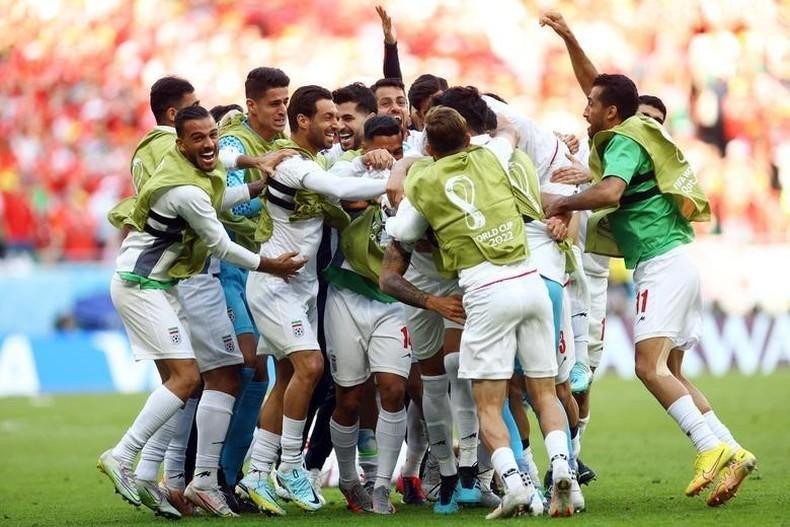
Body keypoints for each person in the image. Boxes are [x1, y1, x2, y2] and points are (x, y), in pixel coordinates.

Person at [543, 73, 756, 507]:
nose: (585, 110)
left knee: (647, 367)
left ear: (611, 112)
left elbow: (611, 191)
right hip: (677, 261)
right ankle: (731, 449)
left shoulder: (624, 137)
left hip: (662, 265)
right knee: (671, 371)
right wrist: (566, 36)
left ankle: (707, 447)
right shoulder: (634, 136)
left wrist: (562, 202)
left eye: (590, 103)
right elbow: (601, 86)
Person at [97, 105, 305, 517]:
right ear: (180, 143)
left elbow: (220, 190)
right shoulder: (186, 191)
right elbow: (221, 245)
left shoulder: (191, 171)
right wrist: (271, 265)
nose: (210, 143)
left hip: (161, 286)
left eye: (212, 134)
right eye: (199, 138)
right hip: (142, 286)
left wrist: (255, 183)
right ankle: (124, 456)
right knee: (189, 377)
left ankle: (161, 476)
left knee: (191, 380)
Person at [386, 106, 575, 519]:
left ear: (431, 148)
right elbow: (508, 131)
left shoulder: (425, 181)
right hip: (531, 281)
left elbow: (401, 233)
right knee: (543, 392)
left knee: (486, 403)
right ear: (469, 138)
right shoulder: (494, 155)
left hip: (485, 291)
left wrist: (403, 168)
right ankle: (563, 467)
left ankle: (512, 485)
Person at [237, 86, 390, 514]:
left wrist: (370, 158)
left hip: (299, 286)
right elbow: (335, 188)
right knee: (311, 366)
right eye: (328, 118)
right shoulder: (290, 164)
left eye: (341, 119)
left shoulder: (315, 159)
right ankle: (289, 466)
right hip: (274, 286)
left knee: (287, 378)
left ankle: (256, 474)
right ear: (303, 121)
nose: (337, 125)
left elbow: (339, 171)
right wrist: (393, 178)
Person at [324, 115, 411, 514]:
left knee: (393, 390)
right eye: (382, 150)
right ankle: (347, 478)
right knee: (348, 399)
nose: (390, 157)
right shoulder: (345, 169)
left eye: (397, 149)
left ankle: (380, 485)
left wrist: (401, 168)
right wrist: (366, 166)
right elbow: (343, 194)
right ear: (364, 147)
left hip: (394, 301)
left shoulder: (417, 172)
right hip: (347, 293)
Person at [215, 67, 292, 497]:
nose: (281, 109)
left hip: (267, 268)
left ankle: (232, 473)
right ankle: (216, 473)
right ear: (252, 105)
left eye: (285, 101)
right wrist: (270, 185)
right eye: (273, 102)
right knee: (248, 368)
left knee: (265, 372)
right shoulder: (233, 144)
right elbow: (227, 210)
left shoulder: (282, 145)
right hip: (231, 267)